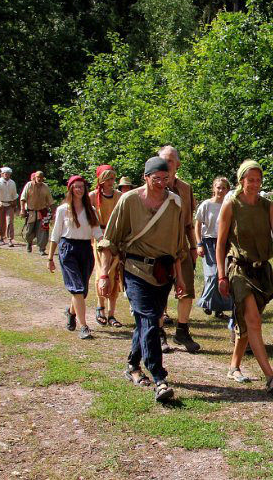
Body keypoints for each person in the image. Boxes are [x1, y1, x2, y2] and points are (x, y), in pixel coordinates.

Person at [96, 156, 186, 402]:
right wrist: (104, 274)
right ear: (145, 177)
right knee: (149, 319)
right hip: (135, 269)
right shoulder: (129, 200)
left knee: (148, 321)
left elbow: (178, 245)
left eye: (166, 178)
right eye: (156, 179)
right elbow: (110, 240)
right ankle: (159, 379)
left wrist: (179, 278)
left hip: (163, 272)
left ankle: (132, 365)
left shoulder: (175, 203)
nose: (161, 183)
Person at [216, 160, 273, 392]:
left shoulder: (267, 206)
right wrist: (221, 276)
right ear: (241, 180)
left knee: (247, 322)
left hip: (261, 271)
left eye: (258, 180)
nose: (255, 184)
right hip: (238, 270)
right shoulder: (231, 205)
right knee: (253, 320)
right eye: (250, 180)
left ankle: (234, 366)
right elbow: (220, 243)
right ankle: (270, 377)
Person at [47, 176, 103, 340]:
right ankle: (84, 326)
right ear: (70, 189)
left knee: (82, 291)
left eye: (81, 187)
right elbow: (56, 234)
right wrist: (50, 258)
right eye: (76, 187)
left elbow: (97, 233)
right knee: (77, 288)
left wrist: (107, 246)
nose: (79, 190)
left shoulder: (91, 210)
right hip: (68, 249)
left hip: (86, 249)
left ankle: (71, 312)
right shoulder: (63, 210)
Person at [158, 146, 200, 353]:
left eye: (170, 161)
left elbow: (189, 222)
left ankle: (182, 331)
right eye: (163, 160)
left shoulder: (185, 188)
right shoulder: (152, 187)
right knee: (159, 289)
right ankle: (158, 333)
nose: (166, 164)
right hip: (157, 246)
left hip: (181, 245)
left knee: (187, 291)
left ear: (178, 165)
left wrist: (194, 246)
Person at [88, 165, 124, 327]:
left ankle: (111, 313)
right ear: (101, 179)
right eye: (108, 178)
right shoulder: (92, 196)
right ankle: (100, 307)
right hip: (99, 238)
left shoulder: (119, 196)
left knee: (114, 274)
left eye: (112, 178)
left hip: (115, 237)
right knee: (101, 274)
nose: (111, 182)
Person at [194, 176, 233, 319]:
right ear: (213, 188)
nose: (220, 190)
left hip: (225, 242)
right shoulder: (206, 205)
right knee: (212, 274)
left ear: (227, 190)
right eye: (218, 187)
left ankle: (218, 308)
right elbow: (197, 225)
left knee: (223, 275)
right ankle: (206, 301)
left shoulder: (230, 205)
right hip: (209, 242)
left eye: (223, 188)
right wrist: (199, 244)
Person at [20, 170, 54, 255]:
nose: (39, 179)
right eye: (38, 177)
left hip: (43, 212)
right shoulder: (29, 185)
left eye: (41, 177)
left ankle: (42, 248)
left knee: (43, 231)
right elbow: (23, 198)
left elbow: (50, 201)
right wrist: (22, 209)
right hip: (31, 212)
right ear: (35, 177)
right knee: (29, 231)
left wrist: (53, 213)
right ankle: (29, 243)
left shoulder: (45, 187)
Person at [0, 167, 18, 246]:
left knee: (10, 221)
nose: (6, 175)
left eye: (8, 174)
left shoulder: (12, 183)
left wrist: (14, 204)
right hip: (1, 204)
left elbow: (15, 195)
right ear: (2, 174)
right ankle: (1, 237)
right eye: (5, 174)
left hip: (9, 204)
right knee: (0, 221)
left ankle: (10, 239)